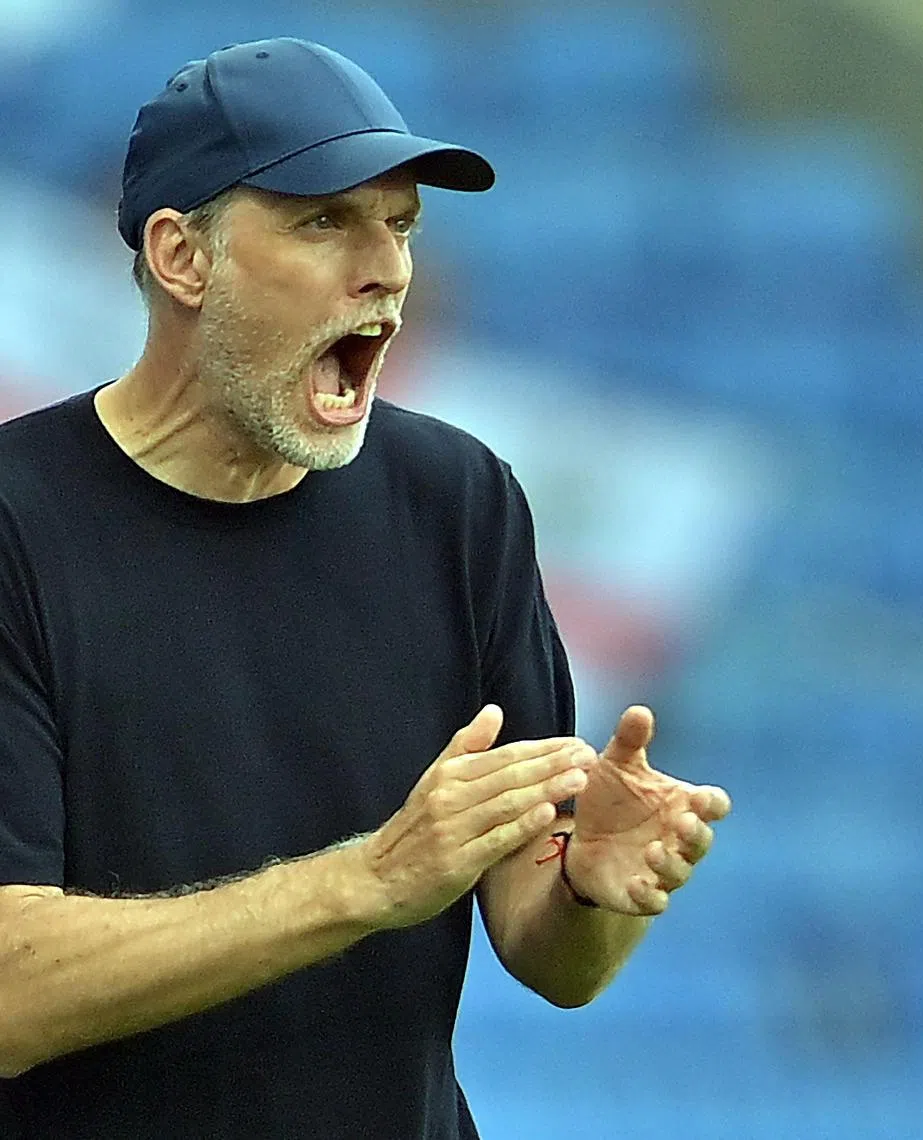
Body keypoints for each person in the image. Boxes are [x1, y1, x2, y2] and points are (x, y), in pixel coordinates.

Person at [0, 37, 731, 1139]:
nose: (387, 269)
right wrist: (368, 880)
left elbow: (549, 955)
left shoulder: (459, 501)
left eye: (400, 225)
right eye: (322, 221)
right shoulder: (17, 529)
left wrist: (589, 891)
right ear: (182, 257)